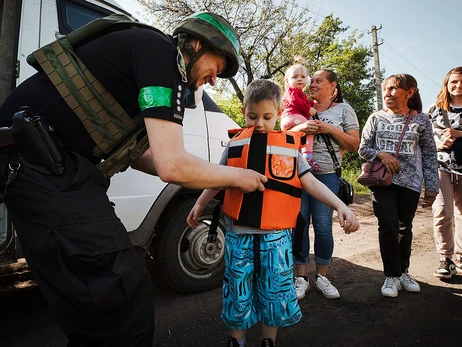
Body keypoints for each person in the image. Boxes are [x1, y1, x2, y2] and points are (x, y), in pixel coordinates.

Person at [0, 12, 268, 347]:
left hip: (48, 166)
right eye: (220, 63)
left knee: (97, 305)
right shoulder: (160, 54)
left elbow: (147, 157)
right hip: (41, 163)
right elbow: (172, 166)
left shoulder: (149, 57)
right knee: (118, 296)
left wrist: (212, 172)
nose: (216, 80)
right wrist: (237, 176)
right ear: (197, 44)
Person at [186, 79, 360, 347]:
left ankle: (269, 341)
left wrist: (340, 205)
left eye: (267, 117)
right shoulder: (234, 144)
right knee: (237, 293)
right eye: (252, 116)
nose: (259, 123)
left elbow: (310, 183)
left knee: (274, 294)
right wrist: (199, 203)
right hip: (238, 236)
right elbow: (218, 178)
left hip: (275, 239)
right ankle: (237, 341)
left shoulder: (289, 147)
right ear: (244, 111)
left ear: (279, 114)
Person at [358, 74, 439, 298]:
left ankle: (404, 272)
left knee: (405, 227)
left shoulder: (421, 120)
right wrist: (382, 154)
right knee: (388, 225)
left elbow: (431, 155)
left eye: (393, 89)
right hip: (381, 181)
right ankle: (391, 276)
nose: (388, 93)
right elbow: (362, 148)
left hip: (410, 183)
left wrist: (432, 186)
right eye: (386, 89)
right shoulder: (376, 118)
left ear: (409, 92)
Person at [286, 69, 360, 300]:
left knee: (322, 226)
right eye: (312, 81)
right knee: (299, 224)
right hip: (298, 175)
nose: (312, 84)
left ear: (333, 86)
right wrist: (299, 129)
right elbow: (281, 134)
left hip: (328, 175)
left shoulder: (344, 110)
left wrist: (329, 128)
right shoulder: (296, 104)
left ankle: (322, 277)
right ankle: (301, 278)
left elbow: (354, 145)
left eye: (319, 81)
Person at [429, 67, 462, 279]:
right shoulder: (435, 110)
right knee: (442, 212)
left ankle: (461, 256)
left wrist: (459, 134)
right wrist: (440, 142)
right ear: (447, 84)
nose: (458, 86)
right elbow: (424, 136)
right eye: (454, 82)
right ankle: (446, 258)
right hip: (441, 166)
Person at [281, 59, 320, 170]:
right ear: (287, 81)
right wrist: (308, 108)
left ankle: (296, 158)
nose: (299, 79)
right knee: (310, 128)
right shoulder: (291, 91)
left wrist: (312, 103)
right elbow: (296, 102)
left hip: (292, 119)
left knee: (297, 139)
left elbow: (304, 102)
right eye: (295, 77)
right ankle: (308, 157)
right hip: (291, 117)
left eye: (303, 77)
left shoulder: (300, 93)